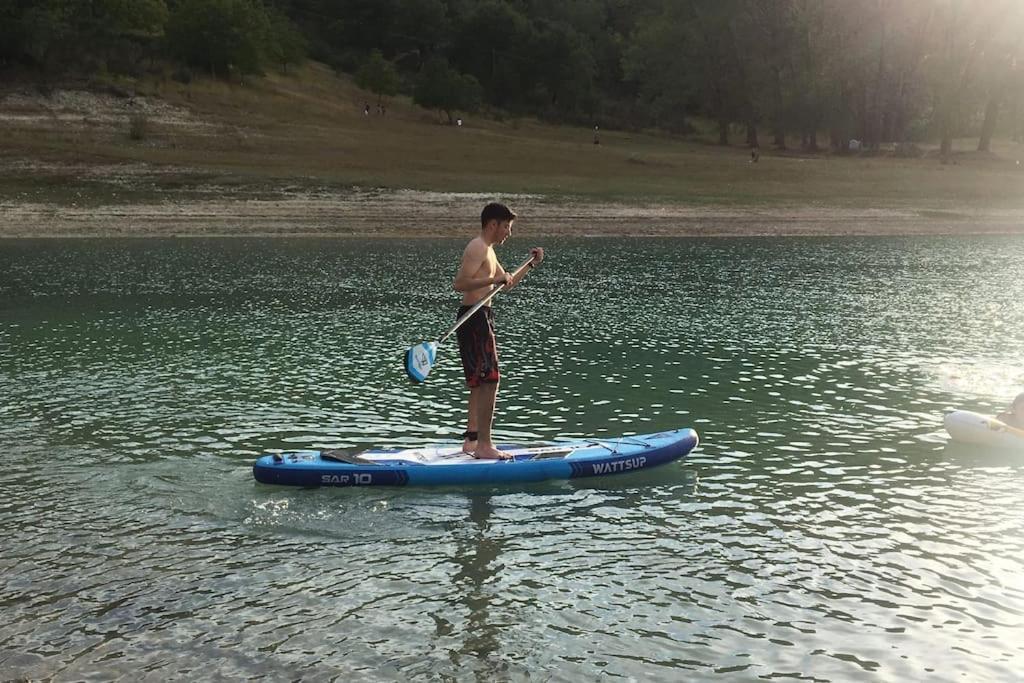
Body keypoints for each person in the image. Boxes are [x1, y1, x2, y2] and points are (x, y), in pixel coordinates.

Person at [452, 202, 544, 459]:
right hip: (474, 316)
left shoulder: (489, 251)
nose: (509, 233)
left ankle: (472, 441)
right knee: (490, 379)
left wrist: (531, 264)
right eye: (506, 227)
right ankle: (484, 445)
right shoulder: (477, 247)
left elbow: (507, 284)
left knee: (480, 381)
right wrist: (494, 279)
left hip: (482, 315)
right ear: (493, 224)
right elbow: (460, 283)